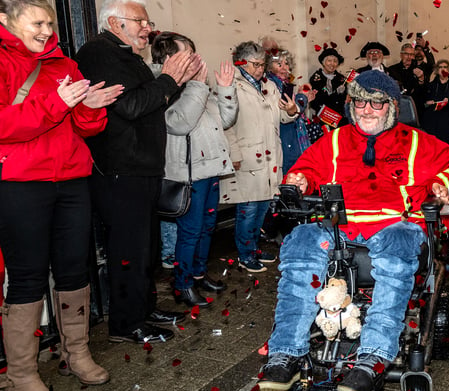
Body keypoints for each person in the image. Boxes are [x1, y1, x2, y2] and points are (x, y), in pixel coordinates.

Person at [256, 70, 449, 391]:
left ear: (390, 106)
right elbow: (307, 168)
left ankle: (373, 355)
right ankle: (285, 352)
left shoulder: (416, 141)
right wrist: (300, 179)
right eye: (360, 102)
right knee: (300, 244)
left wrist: (441, 183)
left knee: (396, 251)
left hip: (395, 224)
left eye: (375, 104)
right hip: (339, 226)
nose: (366, 111)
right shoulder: (335, 140)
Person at [0, 0, 123, 391]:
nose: (46, 28)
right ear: (6, 20)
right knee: (27, 277)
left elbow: (83, 128)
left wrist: (91, 109)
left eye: (50, 22)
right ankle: (21, 375)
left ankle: (77, 352)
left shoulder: (64, 64)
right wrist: (56, 103)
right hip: (20, 185)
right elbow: (6, 126)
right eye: (37, 21)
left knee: (74, 269)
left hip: (71, 178)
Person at [75, 0, 200, 343]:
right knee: (128, 249)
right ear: (115, 24)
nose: (148, 28)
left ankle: (145, 309)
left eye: (147, 21)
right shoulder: (99, 53)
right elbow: (129, 106)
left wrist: (174, 82)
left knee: (145, 246)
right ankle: (126, 324)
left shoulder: (128, 57)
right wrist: (170, 80)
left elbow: (148, 102)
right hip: (120, 169)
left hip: (141, 167)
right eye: (140, 22)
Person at [151, 32, 237, 307]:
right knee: (190, 232)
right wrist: (197, 87)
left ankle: (199, 274)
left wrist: (224, 90)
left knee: (207, 227)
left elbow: (224, 119)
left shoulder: (196, 84)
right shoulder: (159, 85)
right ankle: (182, 284)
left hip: (209, 168)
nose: (195, 60)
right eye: (188, 55)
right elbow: (179, 123)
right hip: (186, 175)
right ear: (168, 58)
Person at [220, 41, 297, 273]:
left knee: (263, 206)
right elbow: (226, 125)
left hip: (270, 155)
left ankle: (253, 248)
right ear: (241, 62)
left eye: (262, 64)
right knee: (248, 209)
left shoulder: (268, 86)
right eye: (255, 65)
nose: (260, 69)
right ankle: (245, 254)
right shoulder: (230, 86)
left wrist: (292, 111)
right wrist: (233, 152)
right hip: (246, 155)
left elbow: (282, 118)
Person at [267, 48, 315, 173]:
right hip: (285, 140)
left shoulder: (285, 84)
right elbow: (286, 112)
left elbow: (295, 110)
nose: (284, 68)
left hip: (293, 139)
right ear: (269, 66)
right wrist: (302, 98)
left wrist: (303, 97)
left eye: (286, 63)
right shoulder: (271, 85)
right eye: (279, 64)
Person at [421, 59, 449, 146]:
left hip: (448, 124)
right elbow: (422, 101)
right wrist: (427, 103)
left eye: (445, 67)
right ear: (437, 70)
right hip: (432, 123)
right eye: (440, 67)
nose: (443, 69)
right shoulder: (431, 85)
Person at [309, 47, 348, 126]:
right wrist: (336, 93)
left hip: (340, 120)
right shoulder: (316, 78)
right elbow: (315, 102)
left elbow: (344, 101)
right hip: (323, 119)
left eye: (335, 61)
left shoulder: (341, 79)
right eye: (329, 61)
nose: (332, 64)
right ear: (323, 62)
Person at [387, 43, 427, 109]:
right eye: (406, 54)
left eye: (411, 54)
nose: (409, 57)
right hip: (398, 106)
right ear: (401, 55)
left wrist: (421, 78)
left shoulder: (419, 69)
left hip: (416, 106)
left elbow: (424, 91)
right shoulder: (392, 69)